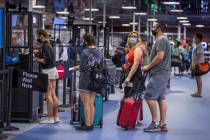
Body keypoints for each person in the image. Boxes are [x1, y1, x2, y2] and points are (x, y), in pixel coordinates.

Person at [70, 33, 103, 130]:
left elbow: (82, 67)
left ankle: (87, 125)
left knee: (86, 103)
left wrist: (75, 68)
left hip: (85, 80)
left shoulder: (84, 52)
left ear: (85, 41)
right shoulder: (99, 52)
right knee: (91, 103)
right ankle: (91, 123)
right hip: (95, 80)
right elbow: (100, 66)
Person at [143, 21, 171, 132]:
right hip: (163, 72)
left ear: (158, 29)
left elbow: (159, 57)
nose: (152, 28)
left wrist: (148, 67)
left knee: (149, 96)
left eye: (153, 27)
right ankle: (162, 124)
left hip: (159, 73)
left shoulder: (161, 40)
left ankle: (154, 123)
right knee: (161, 98)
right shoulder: (162, 40)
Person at [34, 29, 60, 124]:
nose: (37, 38)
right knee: (53, 94)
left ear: (41, 35)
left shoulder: (45, 45)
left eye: (37, 35)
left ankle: (50, 117)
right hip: (53, 70)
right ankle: (55, 116)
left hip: (47, 71)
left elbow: (46, 60)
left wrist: (37, 59)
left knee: (48, 95)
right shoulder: (48, 45)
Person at [122, 31, 146, 124]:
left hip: (135, 75)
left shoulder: (138, 49)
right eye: (131, 36)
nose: (132, 38)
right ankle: (134, 117)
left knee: (133, 95)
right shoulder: (130, 49)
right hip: (129, 72)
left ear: (138, 38)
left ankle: (134, 118)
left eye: (134, 36)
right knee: (130, 95)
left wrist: (128, 77)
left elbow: (136, 64)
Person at [191, 33, 205, 97]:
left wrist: (194, 64)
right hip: (196, 64)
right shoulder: (197, 45)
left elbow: (198, 56)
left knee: (198, 78)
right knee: (197, 78)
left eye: (195, 38)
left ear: (198, 39)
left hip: (198, 64)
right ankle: (198, 92)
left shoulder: (200, 46)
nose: (194, 39)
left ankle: (199, 93)